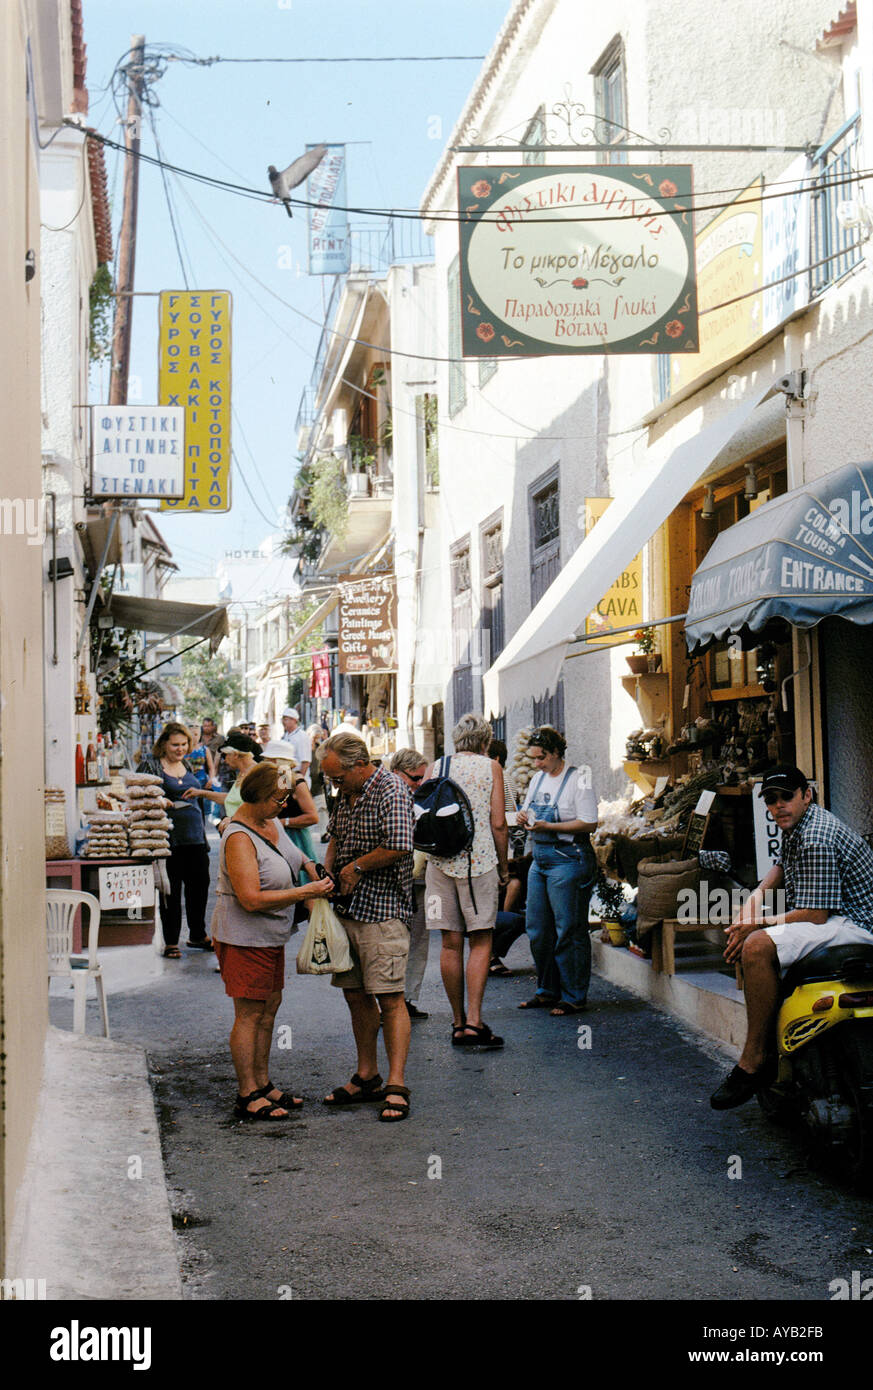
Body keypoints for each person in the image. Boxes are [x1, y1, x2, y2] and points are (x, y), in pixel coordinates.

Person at [710, 765, 873, 1109]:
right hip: (839, 917)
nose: (778, 806)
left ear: (807, 795)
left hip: (856, 924)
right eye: (771, 800)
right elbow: (782, 865)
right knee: (752, 934)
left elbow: (815, 915)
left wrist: (756, 925)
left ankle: (755, 1060)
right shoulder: (798, 824)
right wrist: (755, 897)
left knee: (755, 946)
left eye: (786, 797)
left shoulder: (816, 835)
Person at [211, 762, 334, 1120]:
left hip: (270, 936)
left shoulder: (272, 824)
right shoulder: (238, 837)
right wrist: (304, 892)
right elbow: (250, 899)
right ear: (258, 797)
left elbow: (297, 857)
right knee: (249, 1014)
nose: (284, 805)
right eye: (279, 799)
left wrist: (311, 867)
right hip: (244, 937)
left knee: (268, 1012)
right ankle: (247, 1093)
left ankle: (262, 1083)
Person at [318, 731, 415, 1122]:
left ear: (360, 765)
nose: (334, 785)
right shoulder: (346, 792)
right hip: (348, 909)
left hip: (383, 910)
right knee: (356, 995)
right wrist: (328, 871)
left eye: (338, 778)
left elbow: (399, 844)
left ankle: (396, 1083)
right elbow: (336, 837)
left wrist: (356, 867)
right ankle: (367, 1074)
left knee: (390, 998)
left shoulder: (391, 790)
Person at [423, 713, 510, 1049]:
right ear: (486, 741)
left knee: (449, 943)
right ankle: (475, 1020)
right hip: (479, 861)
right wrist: (504, 867)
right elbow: (499, 823)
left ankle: (457, 1023)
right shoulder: (491, 767)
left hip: (440, 861)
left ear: (456, 740)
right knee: (481, 940)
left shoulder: (438, 766)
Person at [516, 726, 598, 1016]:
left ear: (555, 754)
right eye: (534, 758)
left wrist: (549, 826)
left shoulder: (578, 779)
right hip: (540, 860)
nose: (536, 764)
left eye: (541, 758)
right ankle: (547, 990)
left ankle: (574, 995)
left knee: (569, 929)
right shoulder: (538, 779)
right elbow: (526, 813)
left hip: (569, 858)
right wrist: (523, 817)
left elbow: (589, 822)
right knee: (537, 929)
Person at [138, 723, 212, 958]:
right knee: (170, 890)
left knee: (199, 887)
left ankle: (197, 934)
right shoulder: (152, 765)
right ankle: (171, 941)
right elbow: (141, 795)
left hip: (195, 838)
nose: (180, 749)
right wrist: (161, 802)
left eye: (183, 745)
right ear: (164, 745)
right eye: (175, 745)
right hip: (168, 840)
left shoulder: (187, 764)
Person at [388, 748, 431, 1020]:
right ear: (397, 772)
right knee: (393, 941)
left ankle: (408, 998)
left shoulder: (420, 796)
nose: (418, 784)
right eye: (414, 778)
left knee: (417, 939)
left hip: (419, 876)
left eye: (421, 779)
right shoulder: (388, 796)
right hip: (394, 879)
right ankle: (390, 999)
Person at [182, 730, 262, 831]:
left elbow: (258, 809)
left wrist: (234, 820)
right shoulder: (242, 773)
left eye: (225, 755)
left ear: (235, 755)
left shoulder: (257, 774)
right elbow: (231, 799)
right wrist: (200, 793)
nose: (224, 760)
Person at [280, 707, 311, 785]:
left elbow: (305, 761)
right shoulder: (285, 736)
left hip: (297, 780)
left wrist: (299, 782)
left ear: (294, 720)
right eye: (283, 719)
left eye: (286, 719)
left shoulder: (302, 736)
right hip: (286, 780)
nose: (283, 722)